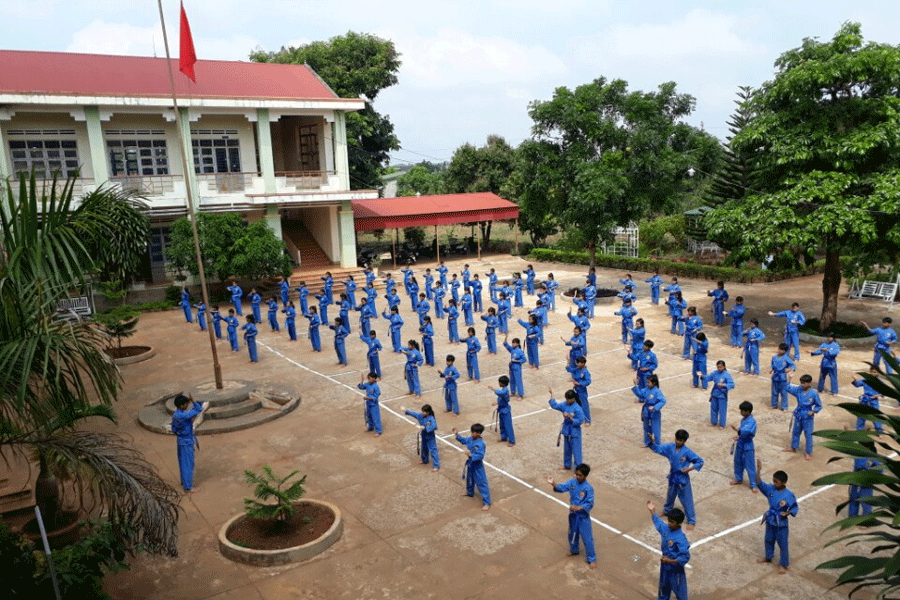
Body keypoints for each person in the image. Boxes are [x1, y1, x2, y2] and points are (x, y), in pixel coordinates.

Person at [649, 429, 704, 530]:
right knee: (670, 495)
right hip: (673, 475)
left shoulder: (687, 452)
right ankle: (667, 510)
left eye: (681, 441)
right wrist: (652, 442)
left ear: (684, 441)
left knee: (687, 499)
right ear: (675, 438)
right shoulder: (670, 447)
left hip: (682, 478)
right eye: (677, 439)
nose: (678, 442)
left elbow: (700, 461)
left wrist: (690, 468)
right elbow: (659, 449)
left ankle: (691, 520)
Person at [547, 464, 596, 569]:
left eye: (580, 475)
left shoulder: (588, 488)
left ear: (585, 476)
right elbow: (562, 487)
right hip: (573, 515)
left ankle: (591, 559)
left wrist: (579, 508)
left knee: (587, 538)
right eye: (576, 474)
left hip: (583, 516)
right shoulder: (572, 482)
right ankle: (574, 550)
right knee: (572, 533)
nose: (577, 476)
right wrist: (553, 484)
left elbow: (590, 503)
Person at [755, 460, 798, 573]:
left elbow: (794, 508)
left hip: (781, 522)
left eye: (776, 481)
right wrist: (759, 470)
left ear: (783, 482)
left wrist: (787, 513)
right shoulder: (771, 489)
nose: (774, 483)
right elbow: (759, 482)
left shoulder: (788, 495)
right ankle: (768, 557)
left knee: (782, 543)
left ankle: (783, 564)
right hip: (771, 519)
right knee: (768, 539)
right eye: (773, 480)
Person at [648, 502, 690, 599]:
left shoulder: (681, 538)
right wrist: (653, 512)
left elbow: (685, 557)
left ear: (679, 523)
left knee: (680, 590)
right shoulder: (666, 529)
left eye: (672, 522)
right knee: (663, 588)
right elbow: (659, 523)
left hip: (675, 567)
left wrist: (669, 560)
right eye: (669, 521)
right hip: (665, 565)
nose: (669, 524)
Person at [171, 394, 209, 493]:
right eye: (186, 404)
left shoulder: (175, 415)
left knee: (182, 462)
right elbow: (199, 409)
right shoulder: (183, 415)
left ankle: (184, 481)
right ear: (182, 405)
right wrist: (193, 401)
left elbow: (173, 429)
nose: (187, 406)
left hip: (181, 440)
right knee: (188, 464)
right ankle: (188, 486)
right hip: (187, 441)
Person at [453, 423, 491, 510]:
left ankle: (487, 502)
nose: (471, 434)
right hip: (470, 463)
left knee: (481, 483)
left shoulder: (481, 444)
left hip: (477, 465)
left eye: (473, 432)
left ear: (478, 433)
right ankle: (470, 492)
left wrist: (471, 455)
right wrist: (457, 435)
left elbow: (480, 456)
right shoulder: (470, 439)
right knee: (469, 479)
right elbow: (464, 440)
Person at [785, 374, 822, 460]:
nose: (802, 384)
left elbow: (819, 405)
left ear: (809, 383)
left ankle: (808, 452)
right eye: (801, 383)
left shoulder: (813, 394)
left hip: (807, 415)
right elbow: (788, 388)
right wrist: (789, 379)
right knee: (796, 431)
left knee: (808, 435)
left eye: (804, 383)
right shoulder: (798, 390)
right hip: (799, 414)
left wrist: (813, 411)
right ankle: (794, 447)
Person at [549, 387, 584, 470]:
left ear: (573, 398)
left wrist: (570, 418)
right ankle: (567, 465)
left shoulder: (578, 408)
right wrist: (552, 394)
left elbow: (580, 421)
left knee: (576, 451)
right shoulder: (565, 405)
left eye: (569, 399)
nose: (568, 401)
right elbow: (555, 405)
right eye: (567, 399)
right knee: (567, 450)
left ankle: (578, 469)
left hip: (575, 432)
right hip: (566, 431)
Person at [731, 401, 758, 492]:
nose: (741, 412)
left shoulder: (752, 421)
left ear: (748, 411)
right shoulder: (743, 420)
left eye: (742, 411)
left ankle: (753, 484)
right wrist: (738, 436)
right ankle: (738, 478)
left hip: (748, 445)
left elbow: (747, 431)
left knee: (749, 464)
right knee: (738, 461)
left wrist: (737, 430)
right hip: (740, 443)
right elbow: (742, 432)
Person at [633, 374, 666, 447]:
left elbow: (663, 401)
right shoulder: (646, 390)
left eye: (648, 382)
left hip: (655, 413)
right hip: (646, 411)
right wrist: (636, 386)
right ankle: (647, 442)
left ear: (654, 383)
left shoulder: (657, 391)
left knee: (656, 429)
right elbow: (640, 394)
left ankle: (657, 444)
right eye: (647, 382)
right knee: (646, 428)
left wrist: (655, 407)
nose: (647, 383)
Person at [702, 360, 735, 429]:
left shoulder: (727, 374)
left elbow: (732, 384)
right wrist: (703, 377)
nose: (719, 368)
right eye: (718, 367)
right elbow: (709, 377)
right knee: (713, 408)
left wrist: (724, 385)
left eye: (720, 367)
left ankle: (722, 424)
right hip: (715, 393)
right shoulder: (715, 372)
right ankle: (713, 421)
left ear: (724, 366)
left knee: (722, 410)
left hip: (722, 395)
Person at [852, 367, 884, 434]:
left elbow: (884, 392)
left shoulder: (879, 382)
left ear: (878, 373)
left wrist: (878, 395)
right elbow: (857, 384)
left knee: (876, 416)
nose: (872, 373)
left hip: (873, 401)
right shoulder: (865, 380)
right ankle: (859, 429)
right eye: (871, 372)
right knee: (861, 415)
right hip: (865, 400)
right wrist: (855, 380)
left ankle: (879, 431)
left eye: (874, 372)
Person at [566, 356, 592, 425]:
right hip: (576, 389)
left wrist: (579, 383)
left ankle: (587, 420)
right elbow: (569, 369)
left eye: (579, 363)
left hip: (582, 390)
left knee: (584, 405)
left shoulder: (585, 372)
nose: (578, 364)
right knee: (578, 404)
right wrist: (568, 361)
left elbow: (588, 381)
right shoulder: (577, 369)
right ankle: (580, 417)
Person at [489, 375, 515, 446]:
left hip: (505, 410)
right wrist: (497, 403)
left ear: (503, 384)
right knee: (502, 425)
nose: (499, 384)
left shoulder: (505, 391)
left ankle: (511, 440)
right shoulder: (503, 390)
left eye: (500, 383)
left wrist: (493, 389)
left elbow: (499, 394)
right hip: (501, 409)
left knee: (508, 425)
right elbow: (502, 399)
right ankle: (503, 437)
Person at [770, 343, 795, 410]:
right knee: (774, 391)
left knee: (784, 392)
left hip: (782, 377)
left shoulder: (786, 358)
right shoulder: (774, 357)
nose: (781, 351)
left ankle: (784, 407)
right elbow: (772, 365)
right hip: (775, 376)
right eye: (780, 349)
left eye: (783, 350)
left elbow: (793, 365)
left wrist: (789, 369)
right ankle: (774, 405)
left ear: (785, 351)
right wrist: (771, 369)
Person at [358, 371, 382, 436]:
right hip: (368, 403)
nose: (368, 380)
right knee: (369, 416)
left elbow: (375, 397)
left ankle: (378, 431)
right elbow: (361, 387)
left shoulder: (376, 387)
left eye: (370, 378)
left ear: (374, 379)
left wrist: (368, 397)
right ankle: (370, 427)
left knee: (375, 417)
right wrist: (361, 380)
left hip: (374, 404)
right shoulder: (368, 384)